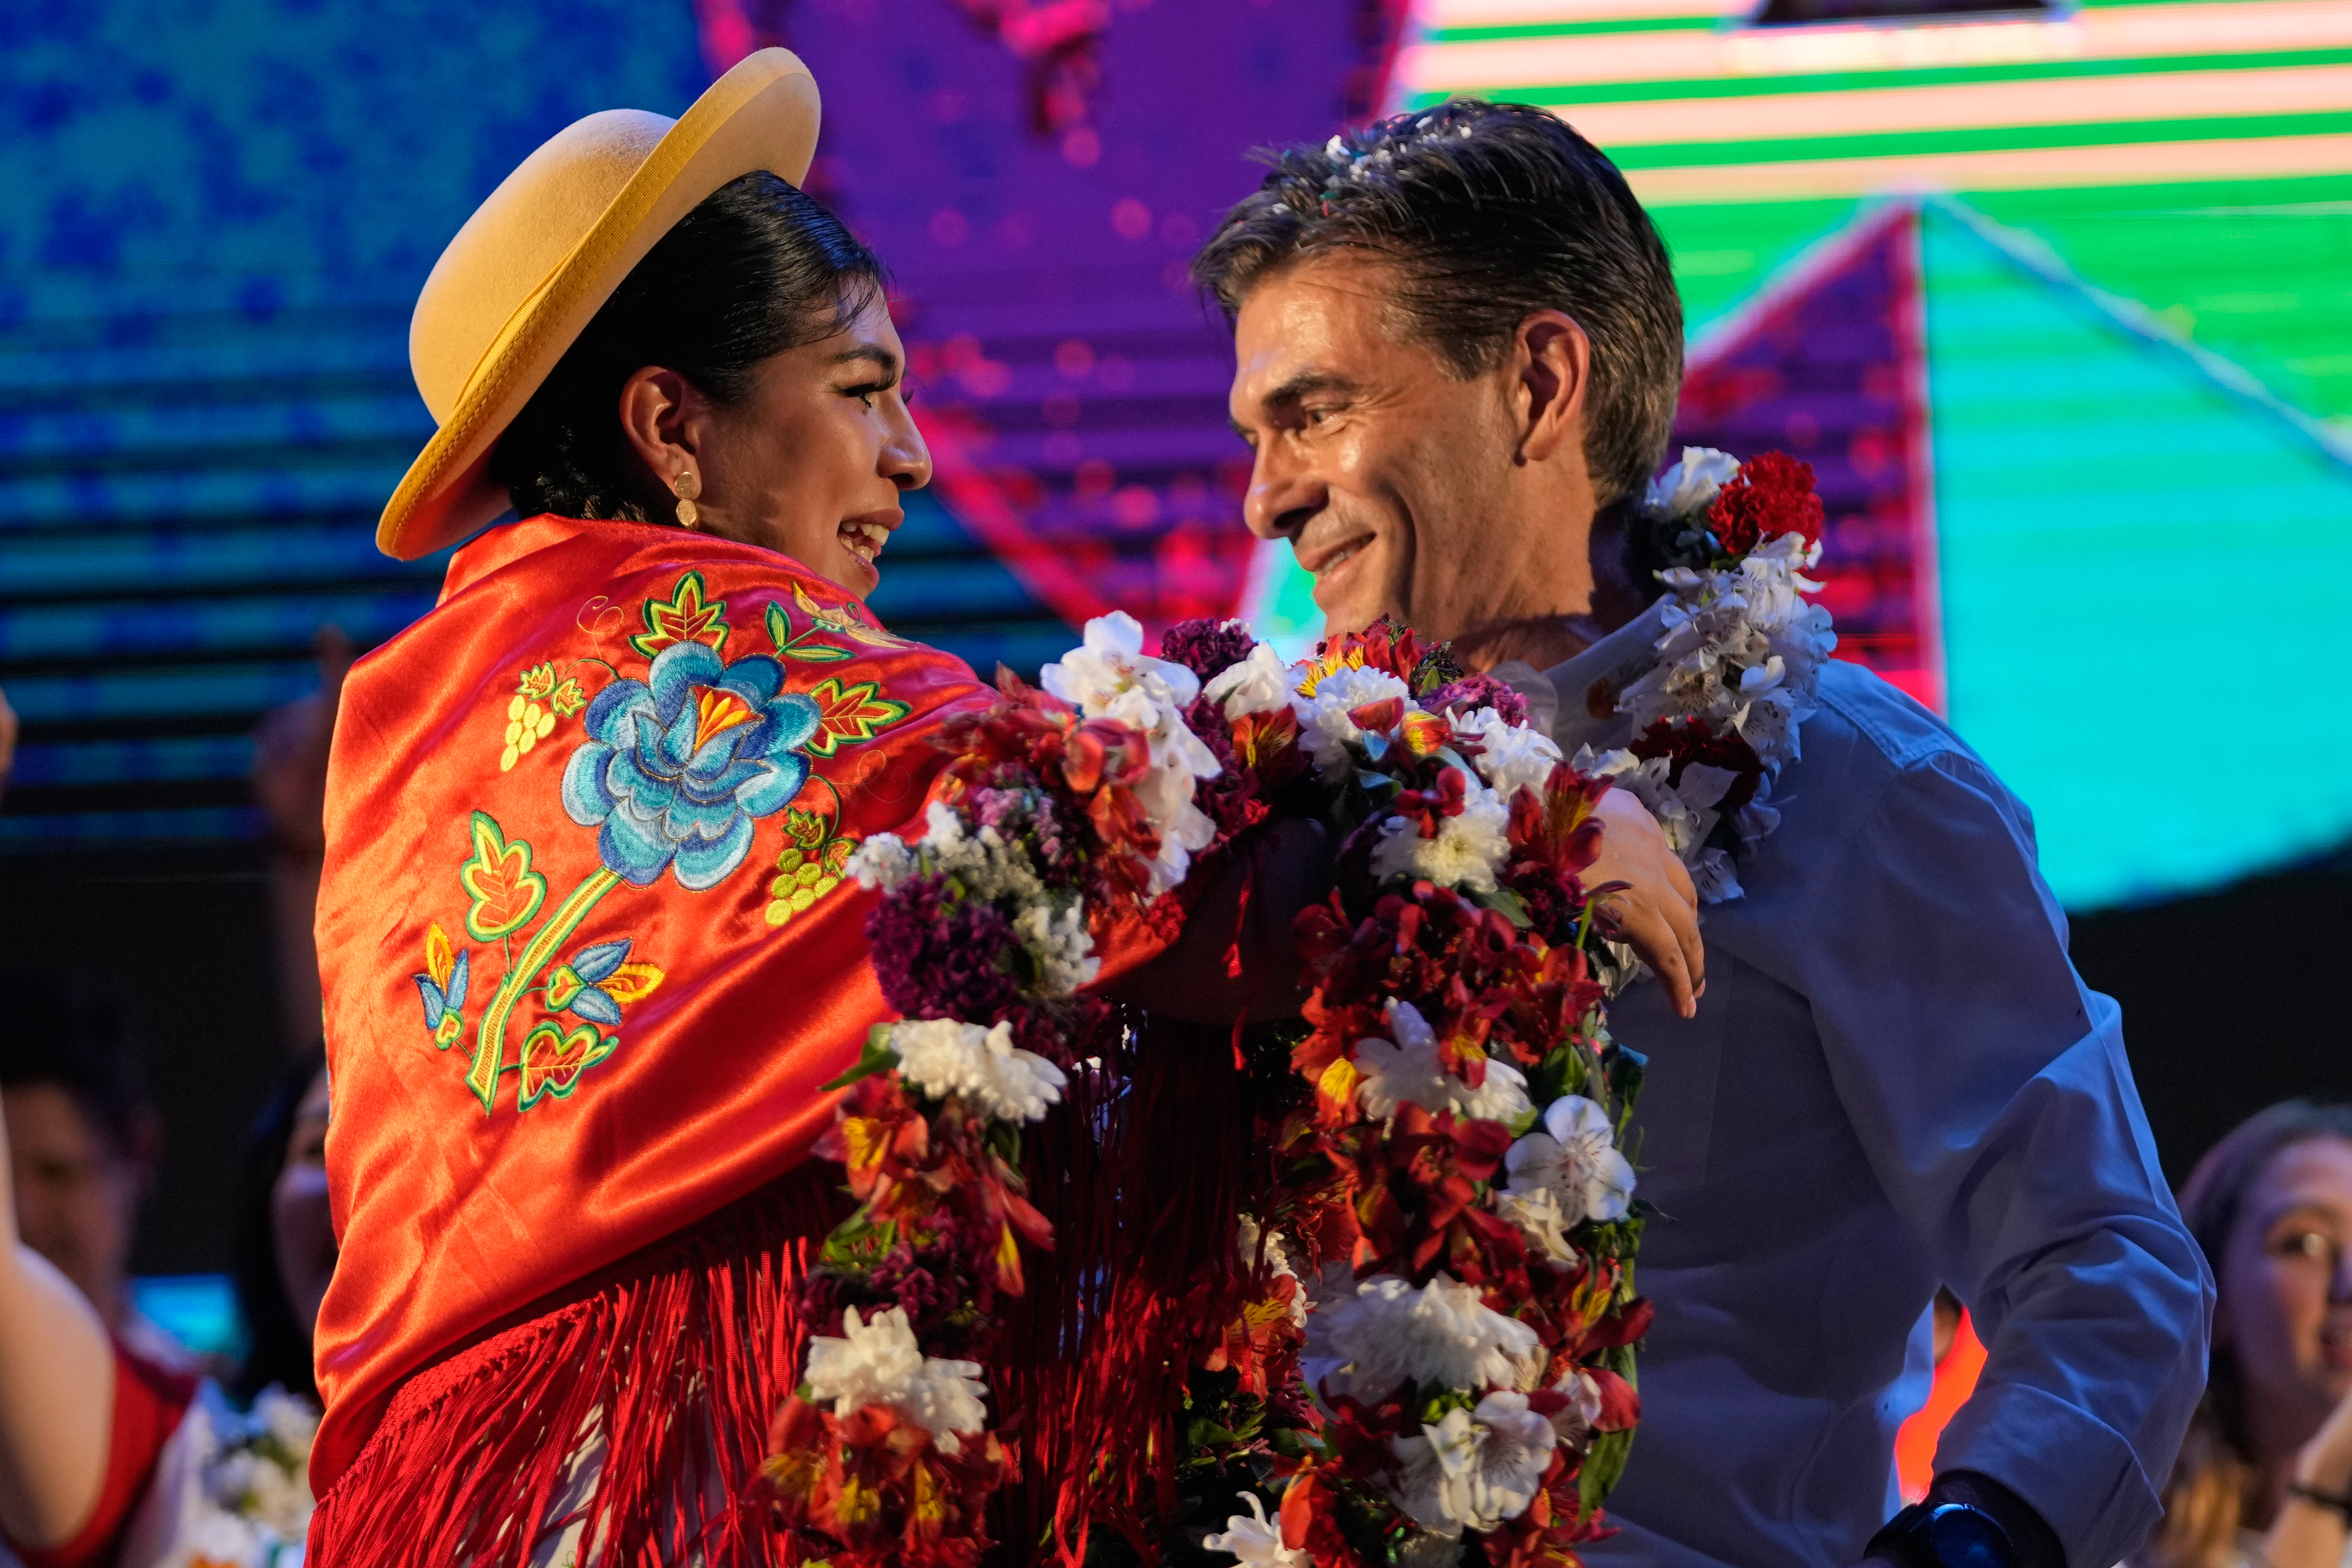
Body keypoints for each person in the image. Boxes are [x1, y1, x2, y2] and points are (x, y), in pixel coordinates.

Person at [132, 48, 1698, 1568]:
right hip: (655, 1479)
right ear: (672, 428)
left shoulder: (433, 701)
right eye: (861, 388)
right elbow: (1112, 855)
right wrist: (1517, 829)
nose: (913, 457)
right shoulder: (712, 670)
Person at [1194, 99, 2211, 1568]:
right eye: (1254, 432)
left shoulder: (1858, 790)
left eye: (1316, 411)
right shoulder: (1282, 797)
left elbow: (2106, 1269)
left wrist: (1979, 1540)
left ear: (1539, 382)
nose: (1266, 493)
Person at [2139, 1102, 2352, 1568]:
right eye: (2306, 1243)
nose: (2349, 1282)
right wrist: (2321, 1491)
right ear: (2214, 1295)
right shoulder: (2111, 1535)